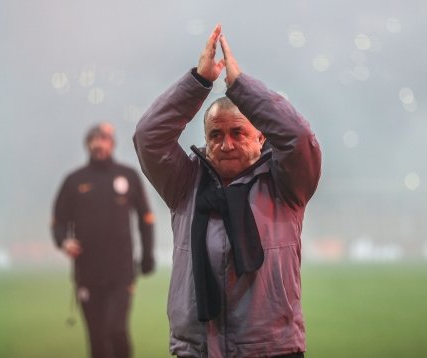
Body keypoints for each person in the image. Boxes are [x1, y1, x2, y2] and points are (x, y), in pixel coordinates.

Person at [133, 24, 322, 357]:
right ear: (206, 141)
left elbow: (299, 139)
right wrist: (198, 83)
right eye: (215, 135)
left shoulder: (284, 184)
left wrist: (241, 88)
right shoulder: (185, 183)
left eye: (238, 132)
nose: (226, 143)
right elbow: (149, 137)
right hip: (198, 348)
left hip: (269, 348)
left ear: (262, 136)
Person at [52, 122, 155, 358]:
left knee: (116, 329)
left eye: (104, 139)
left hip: (121, 271)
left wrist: (147, 255)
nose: (99, 144)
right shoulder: (74, 181)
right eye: (94, 139)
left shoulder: (128, 176)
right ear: (87, 144)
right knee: (97, 338)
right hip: (87, 272)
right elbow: (58, 221)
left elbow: (145, 218)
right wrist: (64, 241)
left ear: (112, 143)